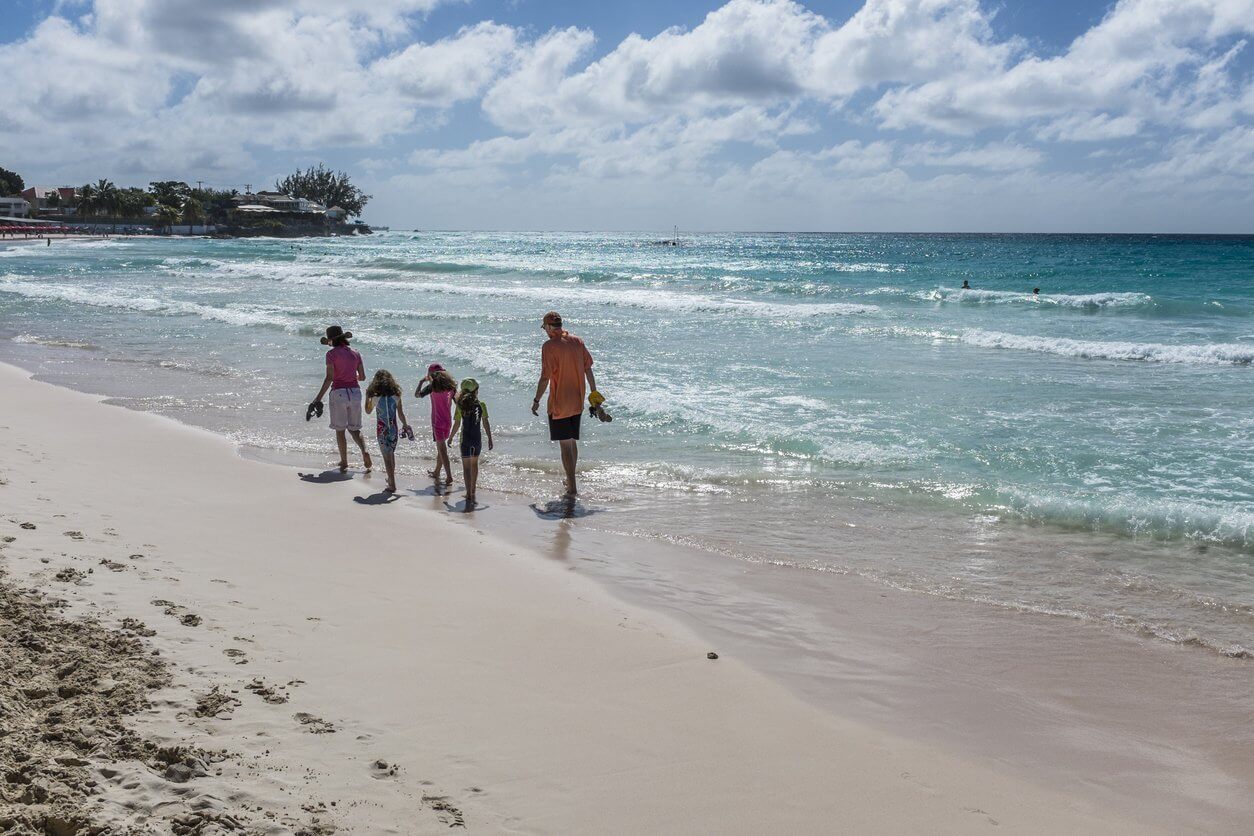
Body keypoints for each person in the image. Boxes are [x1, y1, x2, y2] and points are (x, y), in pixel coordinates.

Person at [531, 311, 600, 496]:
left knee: (565, 446)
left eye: (544, 328)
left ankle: (572, 486)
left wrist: (536, 400)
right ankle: (571, 480)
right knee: (571, 442)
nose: (544, 331)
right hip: (577, 401)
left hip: (559, 403)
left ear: (547, 327)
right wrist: (593, 395)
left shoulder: (549, 346)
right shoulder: (577, 341)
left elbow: (545, 377)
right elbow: (588, 370)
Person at [309, 326, 372, 474]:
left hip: (339, 393)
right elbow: (362, 377)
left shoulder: (331, 354)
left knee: (340, 430)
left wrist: (317, 398)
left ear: (332, 340)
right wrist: (351, 378)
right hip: (355, 393)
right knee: (355, 428)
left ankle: (344, 461)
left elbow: (329, 378)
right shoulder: (356, 353)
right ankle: (365, 451)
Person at [365, 369, 411, 494]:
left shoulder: (375, 398)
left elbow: (367, 411)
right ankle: (391, 480)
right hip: (393, 429)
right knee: (391, 455)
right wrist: (406, 425)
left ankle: (392, 484)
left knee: (387, 458)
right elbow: (400, 414)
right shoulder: (396, 396)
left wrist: (366, 398)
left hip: (381, 430)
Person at [449, 378, 493, 507]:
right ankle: (473, 492)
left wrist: (451, 437)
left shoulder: (460, 405)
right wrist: (490, 438)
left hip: (465, 441)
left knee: (466, 468)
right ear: (476, 391)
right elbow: (485, 422)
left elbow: (457, 424)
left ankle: (468, 493)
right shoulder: (481, 404)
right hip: (477, 440)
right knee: (474, 466)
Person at [416, 363, 456, 485]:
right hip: (448, 421)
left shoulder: (432, 387)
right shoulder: (451, 386)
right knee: (441, 449)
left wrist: (421, 381)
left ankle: (449, 476)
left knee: (442, 450)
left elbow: (417, 395)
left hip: (437, 422)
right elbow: (458, 401)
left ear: (431, 375)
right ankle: (437, 471)